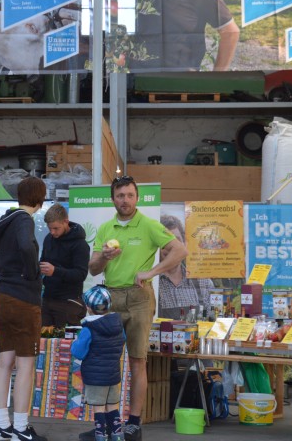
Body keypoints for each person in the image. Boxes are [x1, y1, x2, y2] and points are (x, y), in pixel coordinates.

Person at [87, 176, 187, 441]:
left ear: (137, 197)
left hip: (140, 297)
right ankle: (107, 421)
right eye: (120, 195)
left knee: (137, 360)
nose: (125, 200)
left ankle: (133, 422)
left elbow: (179, 250)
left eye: (130, 195)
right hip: (111, 298)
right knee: (106, 360)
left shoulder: (149, 225)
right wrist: (103, 258)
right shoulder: (106, 228)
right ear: (113, 199)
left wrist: (152, 272)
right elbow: (93, 268)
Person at [0, 176, 48, 441]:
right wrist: (30, 274)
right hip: (23, 301)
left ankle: (2, 427)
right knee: (26, 365)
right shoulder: (24, 220)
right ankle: (21, 428)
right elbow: (25, 246)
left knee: (4, 363)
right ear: (40, 200)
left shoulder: (4, 219)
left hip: (2, 297)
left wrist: (4, 271)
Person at [71, 285, 126, 441]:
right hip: (113, 374)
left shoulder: (88, 329)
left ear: (88, 308)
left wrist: (75, 342)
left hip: (95, 377)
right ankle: (117, 436)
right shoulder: (118, 325)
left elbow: (78, 352)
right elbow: (123, 341)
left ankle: (100, 436)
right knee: (112, 406)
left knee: (99, 408)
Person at [40, 203, 89, 327]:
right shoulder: (48, 239)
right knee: (44, 343)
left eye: (56, 228)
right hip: (47, 300)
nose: (52, 232)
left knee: (65, 345)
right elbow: (43, 261)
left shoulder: (80, 245)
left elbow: (80, 274)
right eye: (49, 228)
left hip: (69, 302)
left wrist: (55, 271)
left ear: (66, 222)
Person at [157, 214, 215, 320]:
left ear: (185, 245)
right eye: (165, 240)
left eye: (177, 240)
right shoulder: (151, 284)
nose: (172, 247)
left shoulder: (204, 283)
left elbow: (213, 325)